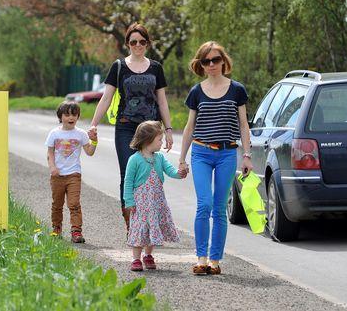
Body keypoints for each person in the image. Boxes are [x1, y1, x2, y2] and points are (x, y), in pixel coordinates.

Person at [88, 22, 174, 233]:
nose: (138, 45)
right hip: (126, 127)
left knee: (149, 175)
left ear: (148, 43)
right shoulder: (119, 67)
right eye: (134, 42)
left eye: (142, 42)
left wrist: (169, 130)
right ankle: (132, 225)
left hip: (151, 130)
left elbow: (162, 101)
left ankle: (148, 223)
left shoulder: (156, 68)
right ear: (127, 43)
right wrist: (93, 124)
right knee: (128, 174)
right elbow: (106, 98)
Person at [178, 41, 253, 275]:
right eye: (206, 61)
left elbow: (243, 125)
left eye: (215, 60)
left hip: (227, 153)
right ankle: (200, 259)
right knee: (204, 205)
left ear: (223, 62)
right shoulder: (196, 92)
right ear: (201, 64)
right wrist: (182, 158)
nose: (211, 65)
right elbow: (190, 127)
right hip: (201, 152)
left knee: (219, 209)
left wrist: (247, 155)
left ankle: (214, 260)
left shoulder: (237, 90)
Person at [123, 121, 185, 271]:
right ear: (147, 140)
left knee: (152, 227)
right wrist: (129, 201)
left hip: (156, 201)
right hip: (140, 202)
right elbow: (128, 182)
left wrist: (180, 173)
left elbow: (170, 171)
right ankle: (136, 258)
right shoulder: (135, 159)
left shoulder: (160, 158)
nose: (161, 142)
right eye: (159, 139)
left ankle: (148, 255)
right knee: (139, 229)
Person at [45, 101, 98, 243]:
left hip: (74, 174)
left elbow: (89, 152)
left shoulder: (80, 134)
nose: (71, 117)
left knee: (74, 204)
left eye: (74, 114)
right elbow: (49, 153)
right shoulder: (54, 133)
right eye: (67, 114)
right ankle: (56, 228)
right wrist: (52, 168)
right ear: (60, 116)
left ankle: (76, 231)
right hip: (57, 176)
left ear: (78, 116)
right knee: (57, 204)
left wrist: (94, 141)